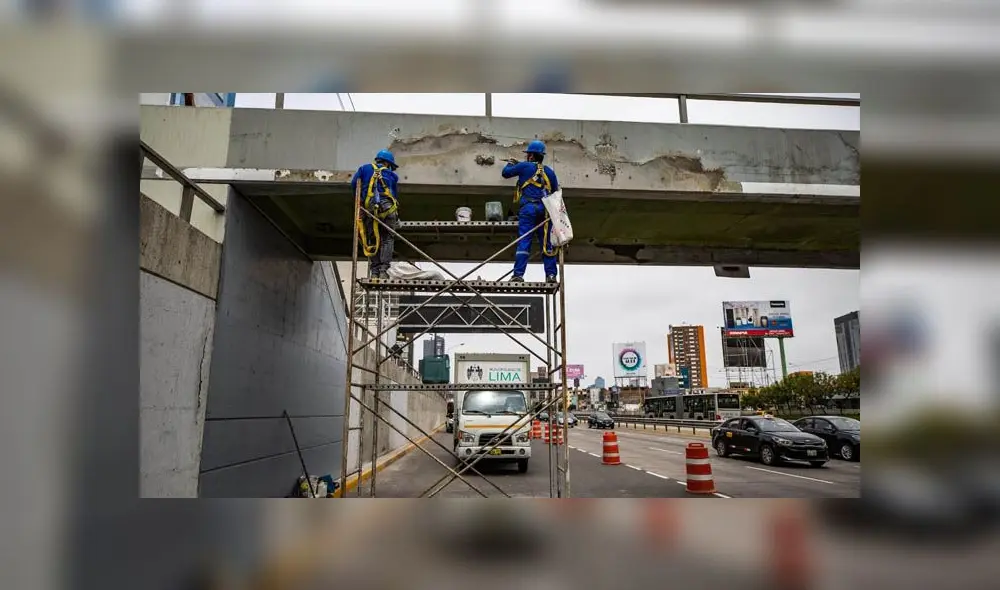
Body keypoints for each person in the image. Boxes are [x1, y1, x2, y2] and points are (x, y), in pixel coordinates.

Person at [501, 140, 559, 283]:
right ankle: (551, 275)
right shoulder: (549, 172)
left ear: (531, 156)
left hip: (528, 209)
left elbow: (505, 173)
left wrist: (511, 163)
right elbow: (555, 191)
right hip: (545, 211)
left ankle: (518, 275)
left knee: (524, 241)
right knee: (546, 243)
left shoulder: (523, 167)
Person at [352, 149, 400, 279]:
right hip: (388, 210)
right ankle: (384, 271)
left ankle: (374, 272)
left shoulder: (364, 169)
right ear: (387, 163)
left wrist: (360, 204)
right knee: (387, 239)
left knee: (372, 239)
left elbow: (354, 185)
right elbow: (394, 196)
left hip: (370, 209)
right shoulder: (392, 176)